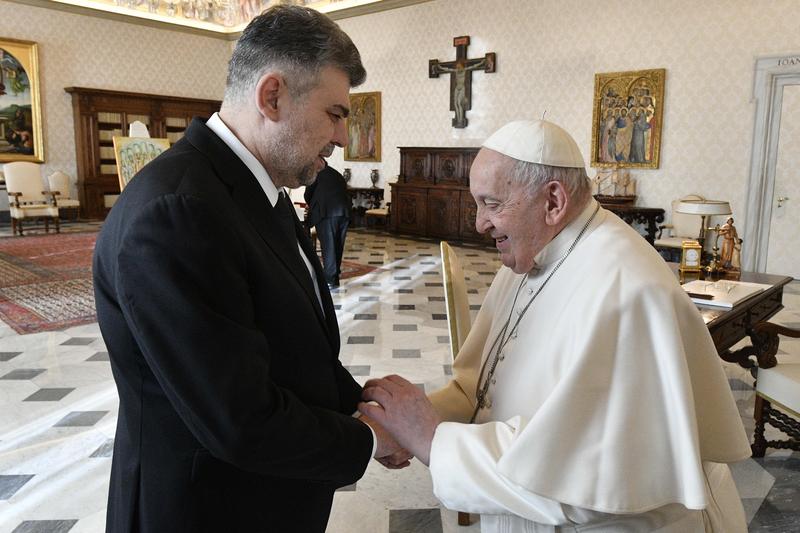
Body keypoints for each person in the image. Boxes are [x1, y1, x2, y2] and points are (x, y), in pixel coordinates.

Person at [93, 6, 410, 533]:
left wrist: (366, 406)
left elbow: (294, 348)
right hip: (207, 510)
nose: (342, 137)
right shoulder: (177, 212)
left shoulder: (261, 191)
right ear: (272, 96)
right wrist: (370, 438)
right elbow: (238, 418)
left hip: (266, 495)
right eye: (335, 114)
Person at [359, 120, 751, 532]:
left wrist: (431, 439)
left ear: (553, 201)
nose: (479, 224)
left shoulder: (627, 292)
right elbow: (480, 390)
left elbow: (584, 482)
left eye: (491, 204)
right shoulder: (533, 253)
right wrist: (403, 425)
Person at [304, 162, 351, 288]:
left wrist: (310, 204)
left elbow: (308, 194)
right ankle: (335, 274)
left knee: (329, 246)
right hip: (343, 212)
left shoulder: (315, 173)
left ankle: (330, 279)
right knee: (337, 245)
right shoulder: (336, 174)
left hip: (327, 213)